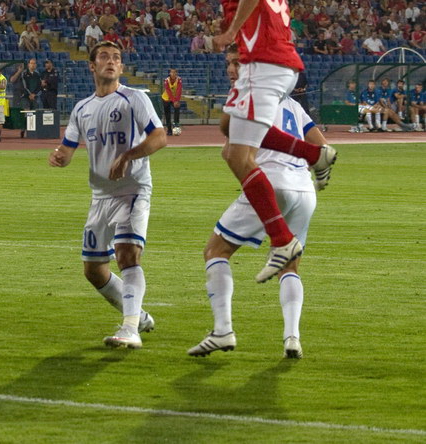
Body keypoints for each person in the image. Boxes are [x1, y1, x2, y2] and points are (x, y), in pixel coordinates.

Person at [188, 45, 326, 359]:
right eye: (229, 63)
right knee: (290, 265)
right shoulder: (292, 104)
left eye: (238, 63)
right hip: (304, 191)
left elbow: (232, 153)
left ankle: (223, 330)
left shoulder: (247, 96)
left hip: (270, 184)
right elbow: (321, 147)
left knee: (215, 250)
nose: (232, 69)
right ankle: (292, 337)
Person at [213, 0, 336, 284]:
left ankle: (281, 240)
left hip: (262, 63)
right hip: (281, 64)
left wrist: (230, 33)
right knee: (229, 127)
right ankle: (315, 153)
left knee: (238, 156)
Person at [48, 41, 167, 349]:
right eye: (104, 56)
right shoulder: (82, 108)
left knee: (128, 254)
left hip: (133, 190)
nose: (111, 61)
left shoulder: (135, 98)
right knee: (94, 271)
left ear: (122, 68)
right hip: (100, 197)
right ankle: (137, 315)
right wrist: (60, 156)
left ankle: (130, 329)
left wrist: (129, 155)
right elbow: (68, 148)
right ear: (92, 66)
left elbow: (159, 137)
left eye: (116, 57)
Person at [161, 68, 182, 135]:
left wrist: (177, 100)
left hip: (175, 98)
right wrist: (174, 100)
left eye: (174, 73)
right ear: (169, 73)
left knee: (177, 108)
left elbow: (179, 90)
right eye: (172, 72)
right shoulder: (166, 80)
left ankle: (176, 124)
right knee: (167, 114)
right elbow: (168, 91)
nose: (173, 74)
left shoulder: (179, 80)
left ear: (176, 73)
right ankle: (169, 129)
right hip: (166, 98)